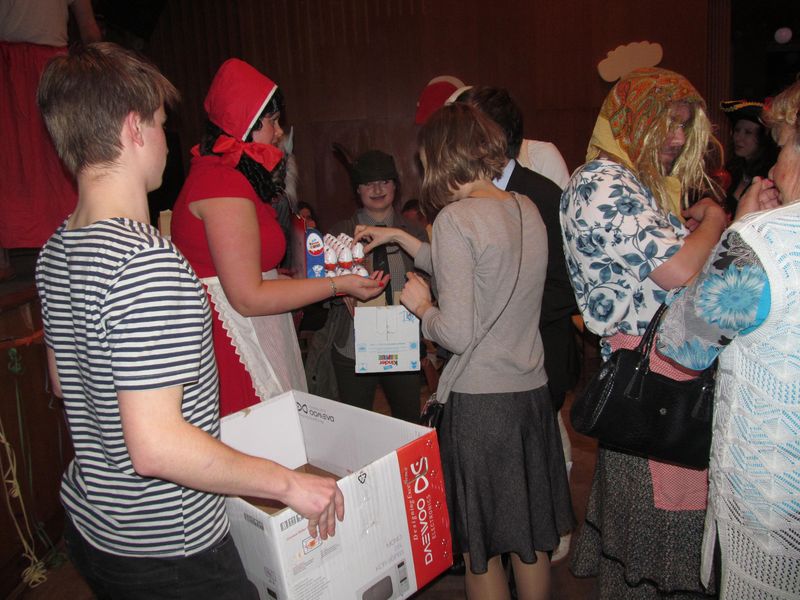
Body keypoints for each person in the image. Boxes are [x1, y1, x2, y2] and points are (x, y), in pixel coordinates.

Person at [35, 42, 344, 599]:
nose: (166, 137)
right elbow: (156, 446)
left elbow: (63, 382)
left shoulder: (57, 247)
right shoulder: (147, 262)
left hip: (96, 524)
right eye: (159, 122)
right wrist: (287, 484)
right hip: (169, 546)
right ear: (133, 128)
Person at [355, 103, 574, 600]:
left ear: (441, 157)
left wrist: (421, 307)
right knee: (528, 540)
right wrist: (400, 236)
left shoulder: (455, 219)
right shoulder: (525, 206)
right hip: (530, 397)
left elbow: (454, 333)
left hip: (481, 408)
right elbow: (480, 266)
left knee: (482, 546)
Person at [560, 67, 728, 598]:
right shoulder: (602, 180)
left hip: (656, 373)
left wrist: (691, 225)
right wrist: (716, 219)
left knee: (650, 545)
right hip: (653, 379)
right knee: (660, 552)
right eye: (666, 124)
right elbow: (677, 271)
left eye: (684, 126)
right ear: (631, 121)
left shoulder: (632, 181)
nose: (676, 138)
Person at [170, 58, 387, 418]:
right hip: (237, 343)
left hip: (255, 329)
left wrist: (322, 281)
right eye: (272, 121)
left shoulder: (226, 177)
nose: (278, 131)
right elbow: (248, 297)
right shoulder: (220, 184)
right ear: (246, 124)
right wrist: (338, 284)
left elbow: (255, 276)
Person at [656, 80, 797, 599]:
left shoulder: (761, 243)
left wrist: (740, 229)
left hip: (772, 496)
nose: (774, 168)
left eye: (782, 148)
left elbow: (683, 342)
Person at [458, 84, 580, 563]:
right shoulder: (468, 197)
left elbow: (567, 285)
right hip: (490, 363)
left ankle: (549, 533)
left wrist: (504, 313)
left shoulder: (542, 196)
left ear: (494, 137)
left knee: (540, 454)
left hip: (538, 353)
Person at [319, 150, 428, 422]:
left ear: (395, 186)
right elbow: (320, 290)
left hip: (402, 344)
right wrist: (339, 293)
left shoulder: (413, 232)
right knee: (356, 426)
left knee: (408, 423)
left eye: (384, 181)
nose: (377, 189)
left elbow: (434, 279)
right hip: (353, 347)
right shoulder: (339, 233)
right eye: (368, 183)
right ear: (358, 190)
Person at [0, 0, 101, 277]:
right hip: (7, 65)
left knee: (60, 158)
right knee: (9, 160)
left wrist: (101, 71)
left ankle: (74, 247)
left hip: (51, 66)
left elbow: (89, 28)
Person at [720, 99, 778, 214]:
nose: (738, 138)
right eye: (737, 130)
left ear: (763, 138)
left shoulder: (771, 177)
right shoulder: (732, 169)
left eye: (748, 132)